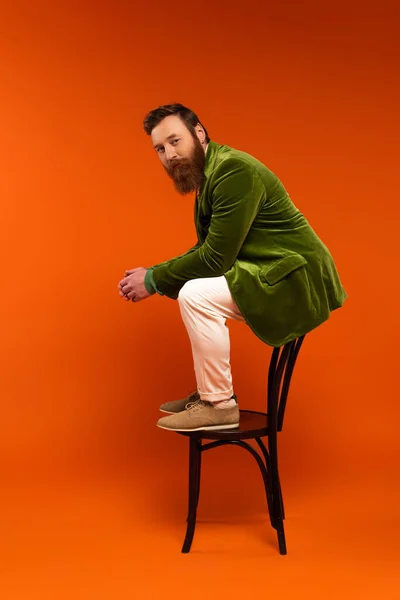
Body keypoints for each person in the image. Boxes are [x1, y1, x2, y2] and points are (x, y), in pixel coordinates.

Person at [118, 104, 347, 433]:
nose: (169, 154)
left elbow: (215, 259)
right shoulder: (209, 173)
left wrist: (153, 280)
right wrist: (153, 274)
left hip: (297, 279)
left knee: (196, 293)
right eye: (160, 148)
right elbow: (206, 249)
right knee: (192, 290)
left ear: (199, 133)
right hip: (269, 271)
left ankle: (219, 404)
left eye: (175, 141)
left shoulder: (233, 171)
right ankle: (211, 394)